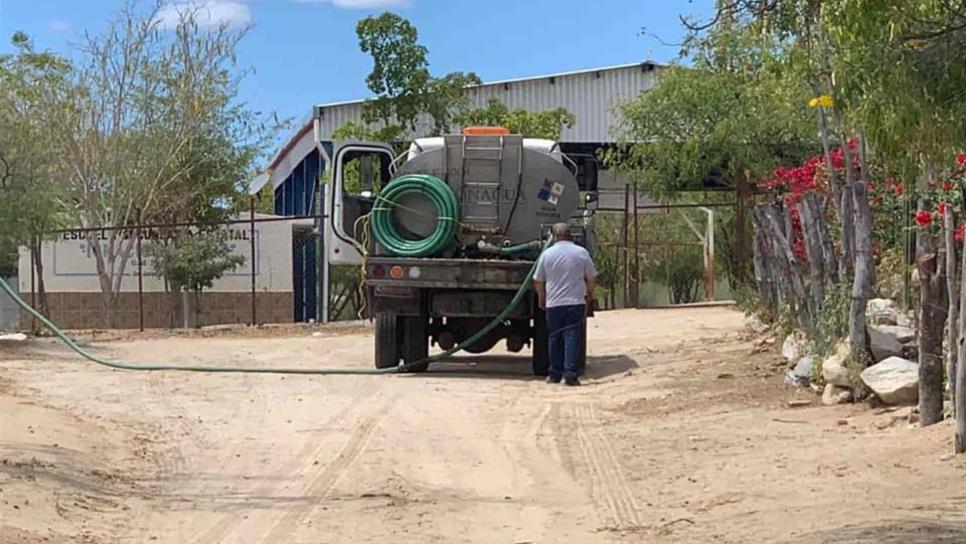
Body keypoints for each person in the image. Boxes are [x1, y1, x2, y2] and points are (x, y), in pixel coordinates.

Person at [532, 223, 596, 386]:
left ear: (554, 236)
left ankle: (554, 374)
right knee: (572, 337)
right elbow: (591, 277)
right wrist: (589, 293)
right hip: (575, 302)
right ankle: (570, 375)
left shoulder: (547, 254)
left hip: (554, 303)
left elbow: (538, 279)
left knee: (554, 337)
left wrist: (541, 296)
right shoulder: (581, 253)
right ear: (570, 235)